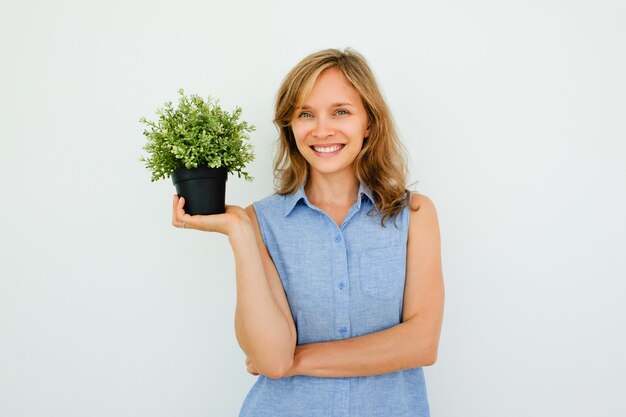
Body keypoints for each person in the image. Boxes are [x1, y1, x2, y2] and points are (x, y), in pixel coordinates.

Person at [171, 48, 444, 417]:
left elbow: (421, 344)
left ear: (369, 122)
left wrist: (295, 361)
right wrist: (239, 233)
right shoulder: (258, 222)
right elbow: (269, 355)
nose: (321, 129)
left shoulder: (414, 214)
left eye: (341, 112)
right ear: (290, 126)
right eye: (305, 114)